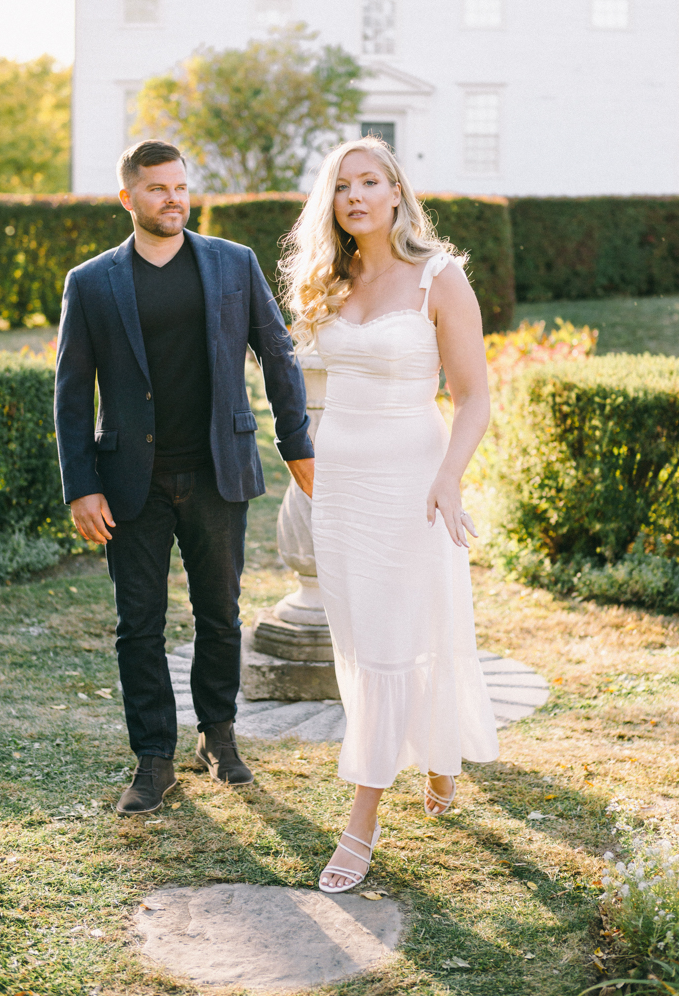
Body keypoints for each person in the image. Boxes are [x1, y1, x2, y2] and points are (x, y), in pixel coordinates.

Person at [54, 139, 315, 815]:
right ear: (128, 198)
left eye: (180, 187)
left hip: (216, 472)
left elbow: (278, 354)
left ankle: (219, 740)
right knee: (136, 625)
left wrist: (297, 442)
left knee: (220, 616)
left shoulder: (233, 264)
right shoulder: (91, 283)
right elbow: (72, 391)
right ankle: (154, 760)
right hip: (129, 483)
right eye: (157, 189)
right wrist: (81, 484)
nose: (173, 199)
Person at [281, 136, 499, 892]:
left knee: (401, 633)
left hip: (414, 478)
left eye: (370, 181)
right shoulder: (327, 281)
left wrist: (449, 478)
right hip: (341, 483)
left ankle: (361, 820)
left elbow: (474, 397)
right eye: (343, 187)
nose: (357, 196)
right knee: (362, 639)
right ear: (332, 204)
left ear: (397, 192)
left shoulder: (441, 278)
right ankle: (437, 757)